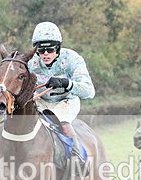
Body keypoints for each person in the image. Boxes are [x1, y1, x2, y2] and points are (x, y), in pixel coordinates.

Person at [27, 21, 95, 158]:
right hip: (40, 102)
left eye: (50, 50)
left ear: (58, 48)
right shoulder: (30, 63)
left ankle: (77, 158)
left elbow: (89, 91)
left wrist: (66, 83)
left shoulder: (72, 59)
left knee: (62, 124)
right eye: (41, 50)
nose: (45, 54)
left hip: (66, 102)